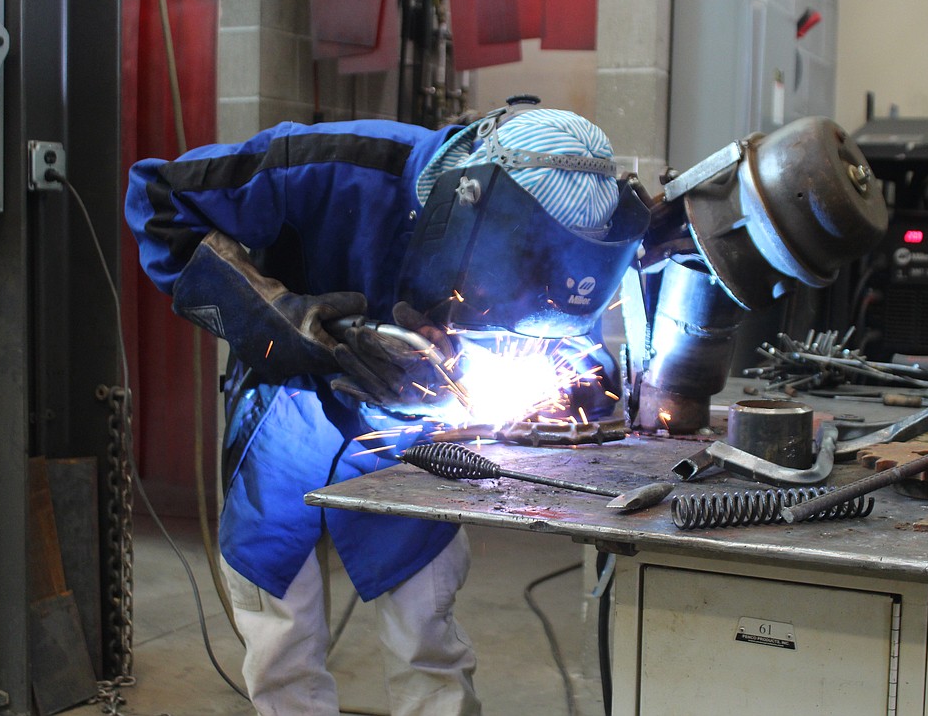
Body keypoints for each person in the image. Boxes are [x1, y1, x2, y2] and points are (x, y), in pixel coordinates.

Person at [124, 97, 643, 715]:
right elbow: (157, 196)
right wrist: (287, 321)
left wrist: (578, 385)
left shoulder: (554, 244)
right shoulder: (336, 163)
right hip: (287, 417)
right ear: (468, 202)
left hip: (414, 443)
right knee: (278, 627)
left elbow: (580, 360)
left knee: (426, 623)